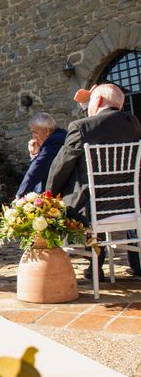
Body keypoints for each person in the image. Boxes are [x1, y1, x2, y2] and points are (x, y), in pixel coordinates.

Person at [46, 83, 141, 280]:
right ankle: (133, 261)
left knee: (73, 177)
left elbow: (61, 166)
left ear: (96, 101)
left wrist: (48, 195)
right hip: (128, 205)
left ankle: (94, 260)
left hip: (89, 209)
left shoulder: (80, 127)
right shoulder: (134, 124)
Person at [16, 113, 66, 197]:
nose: (33, 137)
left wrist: (19, 196)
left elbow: (37, 169)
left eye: (35, 133)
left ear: (47, 131)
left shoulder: (54, 142)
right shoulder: (58, 137)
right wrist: (35, 154)